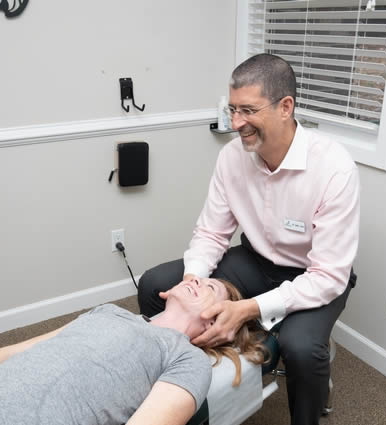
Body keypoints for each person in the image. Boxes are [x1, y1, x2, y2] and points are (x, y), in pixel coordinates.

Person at [138, 53, 360, 425]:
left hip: (316, 276)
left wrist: (247, 309)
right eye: (232, 109)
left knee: (301, 348)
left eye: (248, 110)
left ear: (285, 106)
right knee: (156, 284)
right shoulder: (231, 158)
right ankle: (167, 387)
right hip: (254, 261)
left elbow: (328, 276)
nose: (236, 123)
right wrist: (192, 282)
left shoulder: (334, 168)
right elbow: (212, 231)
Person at [0, 277, 265, 425]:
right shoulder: (108, 310)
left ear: (216, 320)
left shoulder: (187, 359)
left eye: (210, 287)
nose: (195, 279)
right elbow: (21, 349)